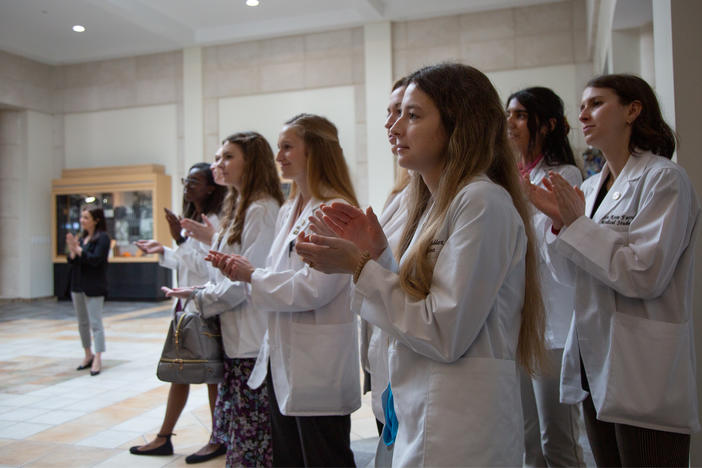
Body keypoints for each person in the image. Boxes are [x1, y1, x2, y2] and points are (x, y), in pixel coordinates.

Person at [295, 63, 546, 466]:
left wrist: (359, 266)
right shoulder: (434, 205)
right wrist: (378, 254)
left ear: (458, 123)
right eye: (395, 115)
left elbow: (442, 330)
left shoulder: (482, 202)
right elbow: (421, 300)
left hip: (461, 426)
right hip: (427, 410)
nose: (394, 128)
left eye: (412, 115)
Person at [526, 74, 700, 466]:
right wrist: (559, 227)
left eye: (596, 103)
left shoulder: (664, 179)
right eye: (582, 105)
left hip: (643, 370)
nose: (582, 114)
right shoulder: (588, 190)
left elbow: (645, 274)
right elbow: (574, 280)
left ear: (633, 110)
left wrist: (577, 226)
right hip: (594, 364)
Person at [209, 114, 361, 467]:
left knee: (324, 458)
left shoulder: (337, 209)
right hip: (281, 359)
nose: (278, 156)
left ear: (316, 151)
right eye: (278, 147)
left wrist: (253, 277)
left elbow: (314, 289)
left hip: (317, 363)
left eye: (287, 147)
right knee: (288, 458)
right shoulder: (289, 208)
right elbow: (279, 275)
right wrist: (246, 273)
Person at [164, 132, 283, 467]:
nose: (218, 164)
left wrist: (199, 297)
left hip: (252, 339)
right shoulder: (239, 204)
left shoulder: (261, 208)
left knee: (254, 444)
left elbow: (247, 280)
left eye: (227, 157)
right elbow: (230, 267)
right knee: (239, 439)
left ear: (252, 162)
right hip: (236, 338)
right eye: (217, 158)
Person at [506, 87, 585, 467]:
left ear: (548, 124)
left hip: (554, 324)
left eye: (521, 115)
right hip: (519, 323)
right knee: (527, 438)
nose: (511, 123)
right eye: (510, 115)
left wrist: (532, 200)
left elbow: (555, 253)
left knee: (558, 439)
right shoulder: (512, 177)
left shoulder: (564, 175)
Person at [130, 163, 226, 462]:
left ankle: (217, 437)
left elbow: (210, 269)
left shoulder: (214, 220)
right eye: (187, 180)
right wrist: (164, 250)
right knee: (179, 370)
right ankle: (164, 436)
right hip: (186, 306)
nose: (187, 185)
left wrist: (182, 240)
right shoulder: (193, 218)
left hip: (205, 305)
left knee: (211, 374)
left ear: (211, 187)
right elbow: (187, 264)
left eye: (194, 181)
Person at [66, 206, 111, 377]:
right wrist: (72, 251)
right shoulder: (82, 238)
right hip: (77, 285)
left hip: (94, 286)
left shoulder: (103, 238)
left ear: (96, 220)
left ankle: (98, 357)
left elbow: (96, 260)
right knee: (82, 323)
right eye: (81, 217)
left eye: (86, 217)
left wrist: (78, 250)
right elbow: (73, 261)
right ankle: (87, 354)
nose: (82, 220)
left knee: (95, 323)